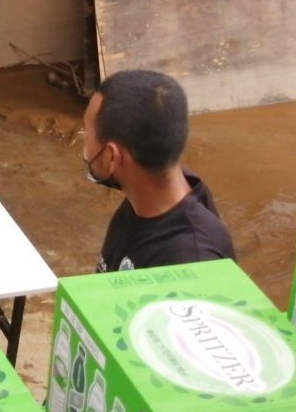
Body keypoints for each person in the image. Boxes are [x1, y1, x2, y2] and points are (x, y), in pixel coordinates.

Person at [82, 69, 237, 272]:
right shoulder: (143, 199)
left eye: (87, 133)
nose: (84, 143)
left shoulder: (192, 261)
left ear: (112, 157)